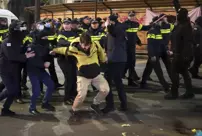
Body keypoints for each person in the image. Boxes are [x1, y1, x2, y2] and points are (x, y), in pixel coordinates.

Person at [51, 32, 109, 115]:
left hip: (96, 74)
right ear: (80, 43)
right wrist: (54, 50)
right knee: (81, 95)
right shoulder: (73, 49)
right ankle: (75, 109)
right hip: (83, 76)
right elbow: (63, 50)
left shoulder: (95, 45)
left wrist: (103, 60)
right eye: (84, 45)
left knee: (105, 90)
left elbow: (101, 53)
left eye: (87, 45)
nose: (85, 47)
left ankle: (95, 104)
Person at [0, 20, 35, 116]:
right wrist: (25, 56)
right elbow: (11, 56)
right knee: (10, 90)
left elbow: (20, 50)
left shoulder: (18, 41)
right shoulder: (7, 42)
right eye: (21, 27)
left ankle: (5, 109)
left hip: (15, 68)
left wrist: (28, 49)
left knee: (14, 90)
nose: (23, 29)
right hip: (5, 69)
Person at [164, 8, 195, 100]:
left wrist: (185, 56)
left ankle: (174, 93)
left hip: (181, 55)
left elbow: (187, 42)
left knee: (174, 72)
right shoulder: (182, 25)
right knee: (184, 72)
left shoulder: (185, 26)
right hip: (179, 54)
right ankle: (189, 92)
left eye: (178, 14)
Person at [102, 15, 128, 113]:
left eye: (107, 21)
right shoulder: (119, 28)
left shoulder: (116, 29)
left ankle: (110, 105)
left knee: (109, 83)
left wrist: (108, 26)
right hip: (118, 59)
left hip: (114, 60)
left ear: (111, 22)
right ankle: (123, 104)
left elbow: (112, 32)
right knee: (118, 82)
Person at [140, 16, 170, 92]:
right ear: (157, 22)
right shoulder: (152, 31)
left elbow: (162, 42)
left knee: (148, 69)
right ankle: (165, 85)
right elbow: (150, 44)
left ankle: (143, 83)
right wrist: (152, 55)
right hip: (154, 54)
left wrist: (166, 50)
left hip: (157, 53)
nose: (162, 23)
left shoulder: (159, 29)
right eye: (161, 21)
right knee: (158, 70)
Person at [57, 19, 78, 105]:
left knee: (74, 78)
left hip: (73, 59)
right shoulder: (60, 34)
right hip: (63, 59)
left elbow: (78, 42)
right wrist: (72, 43)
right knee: (69, 78)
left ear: (71, 25)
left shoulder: (75, 33)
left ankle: (73, 95)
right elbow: (62, 42)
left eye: (68, 24)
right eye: (65, 24)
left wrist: (72, 43)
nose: (66, 25)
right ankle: (67, 98)